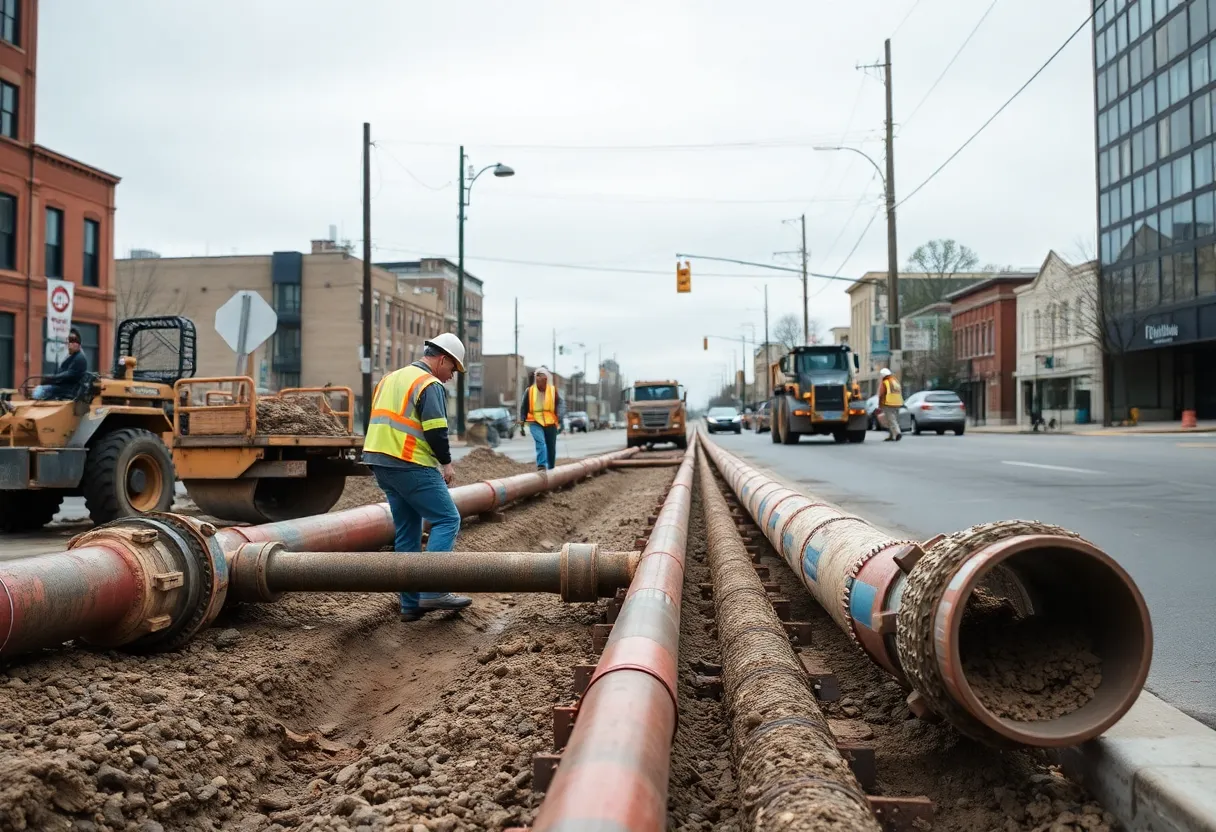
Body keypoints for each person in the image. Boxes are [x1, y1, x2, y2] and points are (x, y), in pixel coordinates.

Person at [362, 333, 473, 622]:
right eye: (452, 369)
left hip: (380, 462)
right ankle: (432, 589)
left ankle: (410, 605)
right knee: (448, 519)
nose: (450, 377)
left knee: (408, 532)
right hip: (410, 462)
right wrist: (446, 464)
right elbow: (436, 430)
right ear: (442, 359)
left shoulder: (390, 378)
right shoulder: (429, 384)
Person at [520, 367, 565, 471]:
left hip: (550, 423)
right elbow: (523, 408)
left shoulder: (553, 391)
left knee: (551, 448)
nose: (540, 382)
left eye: (543, 379)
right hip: (535, 422)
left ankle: (551, 470)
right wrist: (522, 424)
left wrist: (560, 418)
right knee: (540, 442)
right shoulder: (530, 391)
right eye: (538, 379)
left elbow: (561, 404)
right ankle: (541, 466)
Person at [32, 329, 88, 400]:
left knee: (40, 390)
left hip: (68, 389)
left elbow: (69, 374)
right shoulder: (72, 356)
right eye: (69, 341)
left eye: (73, 341)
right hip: (64, 387)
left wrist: (53, 378)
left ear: (78, 344)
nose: (70, 344)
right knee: (39, 388)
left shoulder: (79, 358)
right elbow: (63, 371)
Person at [878, 367, 903, 442]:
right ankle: (891, 436)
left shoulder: (885, 382)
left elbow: (881, 394)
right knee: (893, 419)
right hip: (897, 403)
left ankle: (897, 433)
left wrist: (879, 404)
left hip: (888, 403)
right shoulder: (895, 381)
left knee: (891, 420)